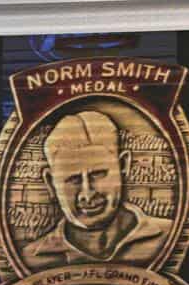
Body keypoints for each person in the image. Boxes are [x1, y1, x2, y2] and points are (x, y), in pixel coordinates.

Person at [24, 109, 171, 269]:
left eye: (98, 174)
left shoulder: (169, 236)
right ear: (51, 183)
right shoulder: (31, 258)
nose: (87, 194)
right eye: (73, 179)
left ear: (123, 166)